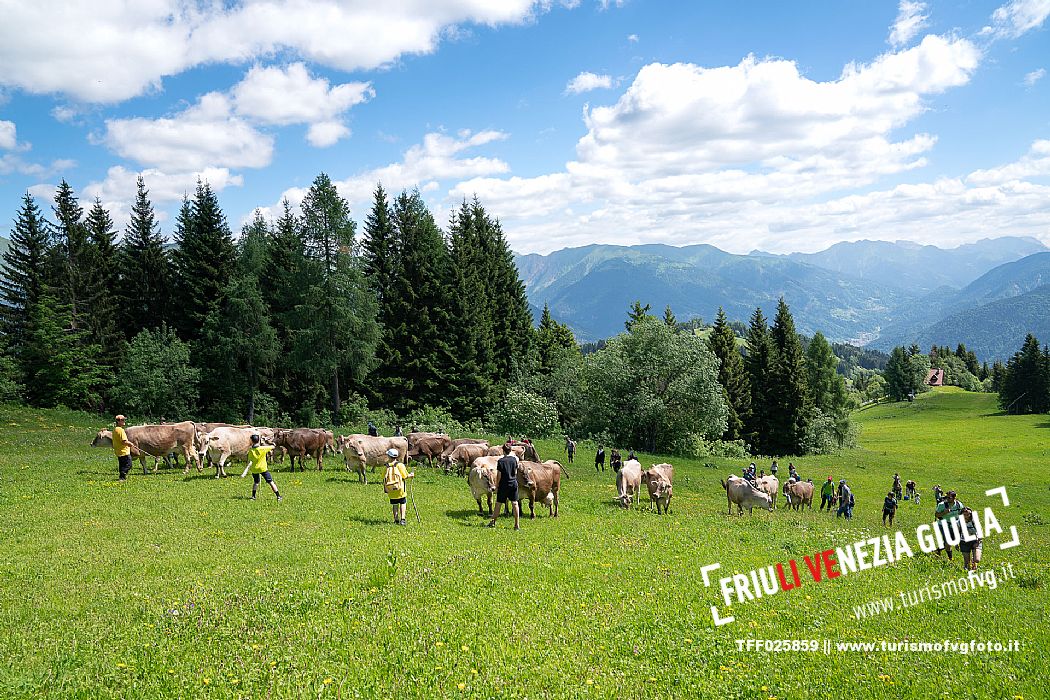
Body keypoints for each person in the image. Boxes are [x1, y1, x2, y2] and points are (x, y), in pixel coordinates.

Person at [240, 434, 281, 502]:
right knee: (271, 482)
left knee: (256, 482)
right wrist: (267, 441)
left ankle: (253, 496)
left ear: (252, 441)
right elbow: (273, 446)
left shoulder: (251, 451)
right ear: (258, 440)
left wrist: (245, 472)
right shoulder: (263, 448)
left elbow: (249, 462)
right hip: (263, 468)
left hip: (254, 469)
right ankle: (278, 496)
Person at [488, 444, 520, 530]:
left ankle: (493, 522)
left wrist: (497, 484)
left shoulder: (501, 461)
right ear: (510, 450)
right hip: (513, 483)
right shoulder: (514, 460)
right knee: (515, 503)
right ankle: (517, 525)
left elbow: (499, 474)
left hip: (503, 484)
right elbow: (516, 472)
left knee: (498, 503)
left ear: (503, 450)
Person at [383, 447, 414, 526]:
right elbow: (405, 476)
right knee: (402, 503)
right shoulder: (400, 465)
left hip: (390, 489)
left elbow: (384, 477)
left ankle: (396, 519)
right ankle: (402, 519)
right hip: (400, 488)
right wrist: (411, 475)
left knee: (395, 504)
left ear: (389, 457)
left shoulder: (386, 466)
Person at [935, 490, 964, 560]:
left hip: (954, 525)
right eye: (946, 497)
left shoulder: (959, 504)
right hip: (943, 524)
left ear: (954, 498)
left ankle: (938, 550)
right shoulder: (942, 505)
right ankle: (950, 558)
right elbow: (936, 515)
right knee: (948, 542)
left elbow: (961, 514)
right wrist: (944, 512)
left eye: (949, 498)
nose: (947, 499)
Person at [111, 414, 138, 482]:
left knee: (122, 465)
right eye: (122, 420)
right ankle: (122, 476)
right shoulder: (120, 430)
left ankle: (122, 477)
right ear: (118, 421)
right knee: (129, 464)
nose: (124, 421)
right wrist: (131, 444)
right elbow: (124, 441)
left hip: (118, 451)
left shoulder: (115, 429)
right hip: (124, 451)